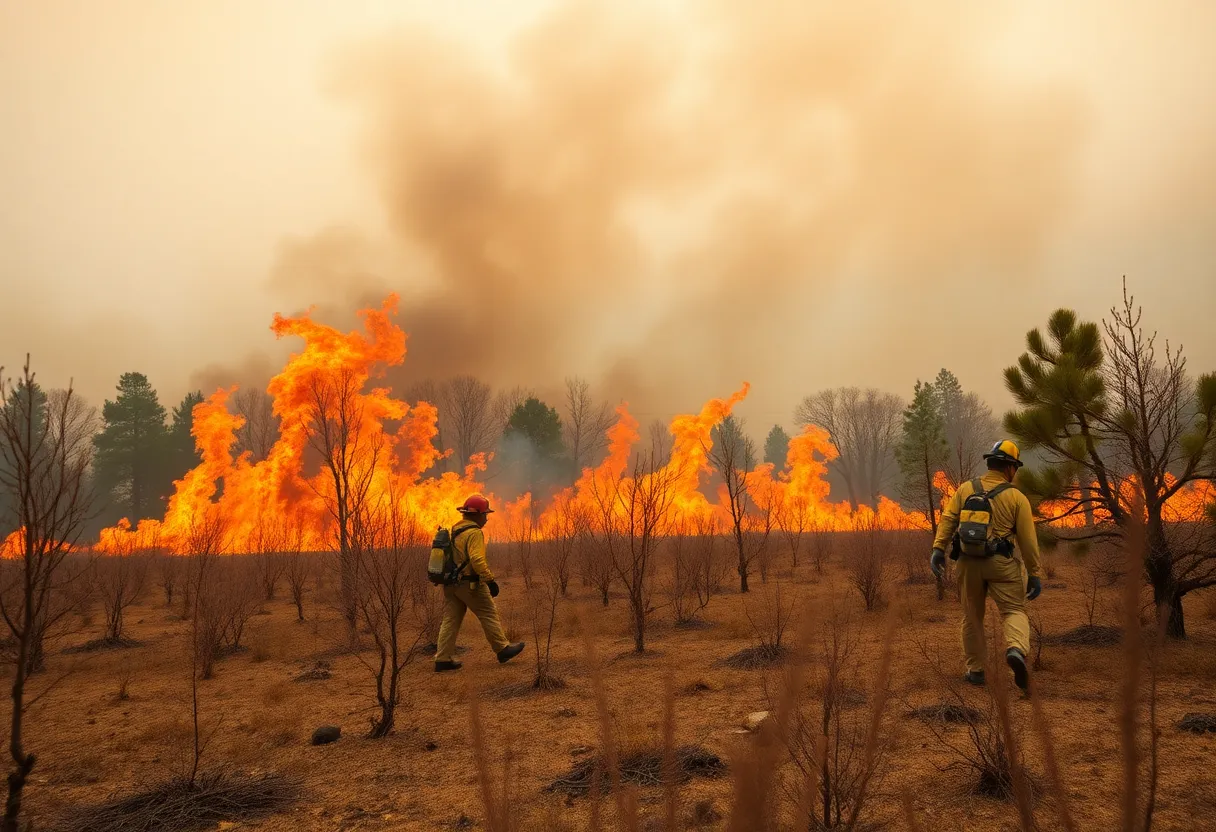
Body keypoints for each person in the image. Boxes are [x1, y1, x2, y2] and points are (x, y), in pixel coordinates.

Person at [930, 440, 1043, 692]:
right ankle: (1015, 649)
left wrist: (938, 548)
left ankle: (976, 671)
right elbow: (1027, 540)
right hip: (1001, 564)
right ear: (1010, 468)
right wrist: (1034, 573)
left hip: (968, 563)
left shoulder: (965, 489)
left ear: (990, 463)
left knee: (972, 617)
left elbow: (948, 518)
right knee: (1014, 610)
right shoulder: (1016, 497)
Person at [434, 494, 525, 672]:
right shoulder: (474, 532)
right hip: (470, 584)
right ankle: (502, 649)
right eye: (485, 514)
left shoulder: (455, 532)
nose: (486, 518)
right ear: (476, 515)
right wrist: (489, 580)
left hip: (451, 585)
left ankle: (442, 659)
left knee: (450, 620)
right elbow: (476, 559)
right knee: (487, 613)